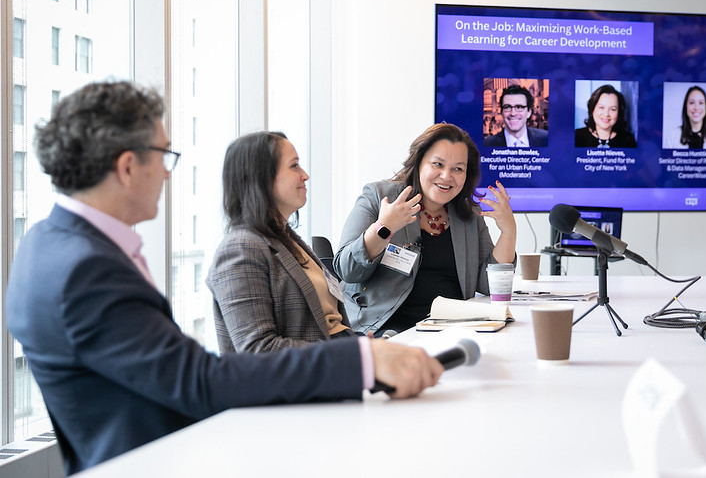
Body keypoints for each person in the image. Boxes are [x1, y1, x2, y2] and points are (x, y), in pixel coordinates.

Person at [5, 81, 443, 475]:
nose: (166, 172)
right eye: (163, 156)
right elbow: (198, 381)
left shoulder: (51, 242)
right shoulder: (86, 268)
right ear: (126, 167)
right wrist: (364, 359)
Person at [335, 123, 517, 335]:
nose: (447, 176)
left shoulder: (469, 215)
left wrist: (508, 232)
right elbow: (347, 270)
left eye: (458, 168)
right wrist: (384, 227)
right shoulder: (379, 196)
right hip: (385, 330)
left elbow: (489, 286)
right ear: (419, 162)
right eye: (438, 164)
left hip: (451, 329)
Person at [207, 131, 353, 352]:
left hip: (336, 374)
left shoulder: (287, 240)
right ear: (261, 177)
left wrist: (360, 346)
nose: (305, 175)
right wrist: (349, 355)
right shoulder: (240, 249)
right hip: (304, 382)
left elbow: (327, 323)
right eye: (294, 166)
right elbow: (258, 350)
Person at [484, 84, 548, 147]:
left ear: (529, 112)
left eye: (519, 107)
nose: (513, 113)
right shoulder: (488, 144)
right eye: (507, 107)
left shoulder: (545, 139)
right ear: (502, 112)